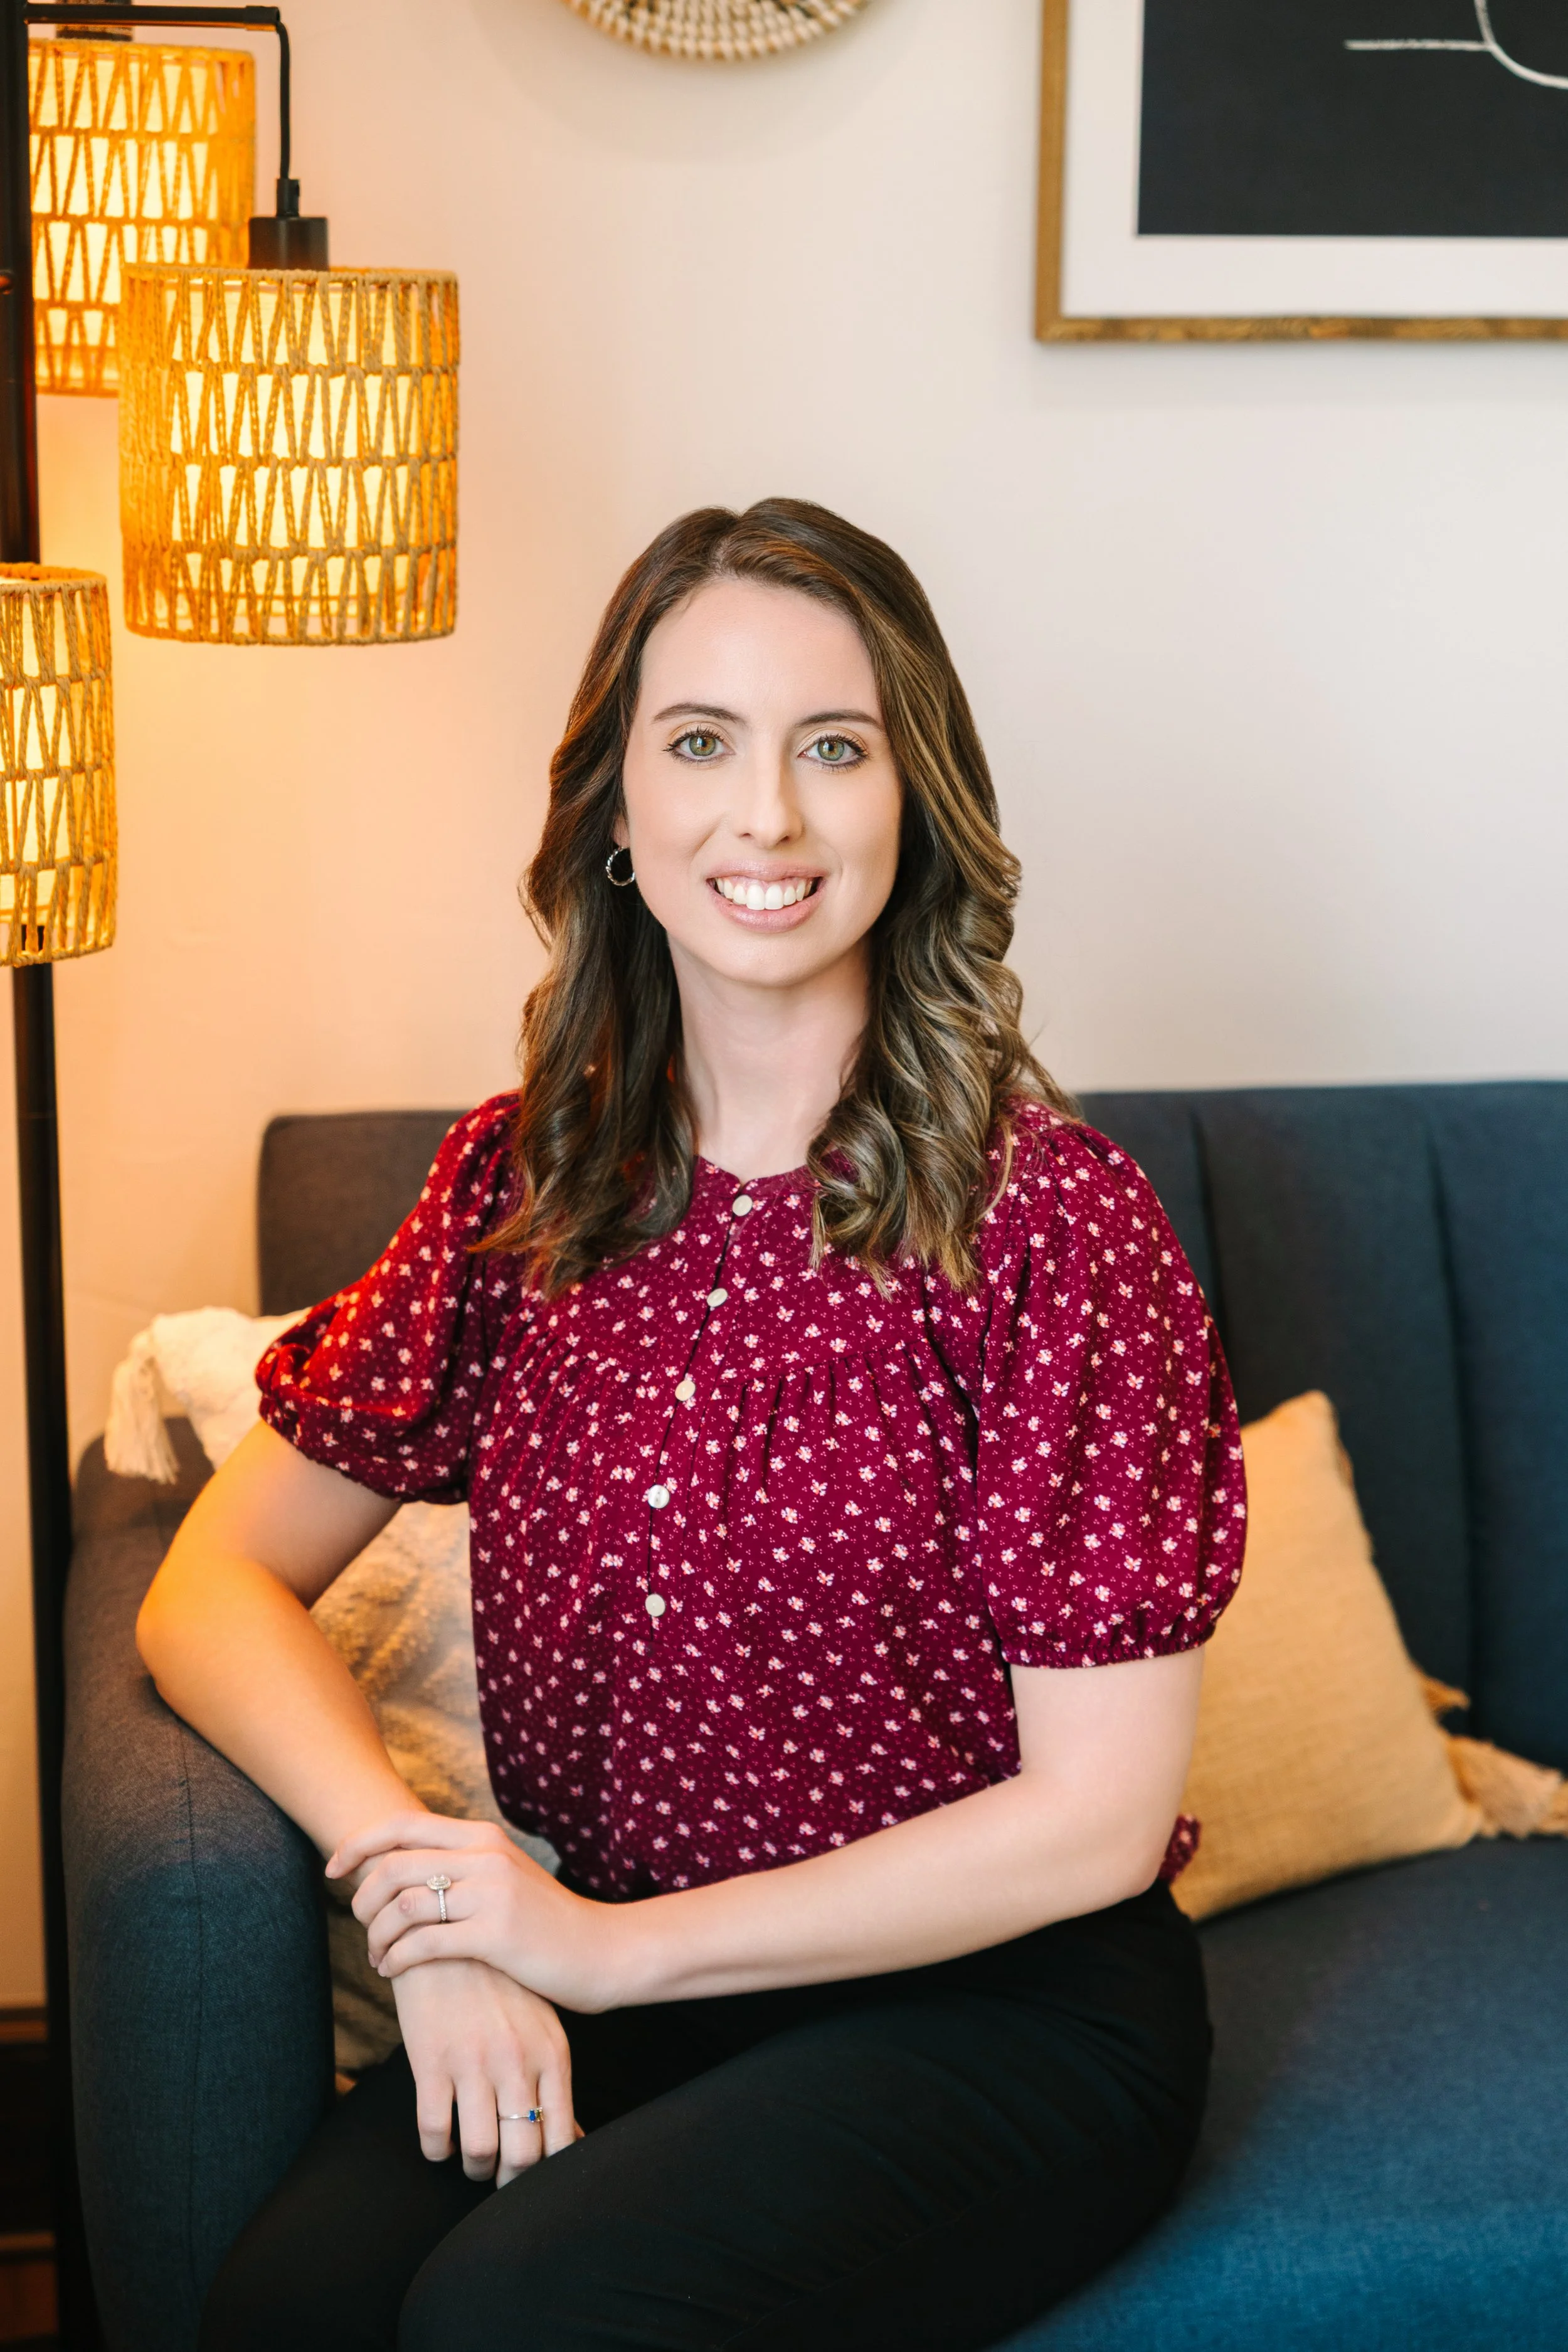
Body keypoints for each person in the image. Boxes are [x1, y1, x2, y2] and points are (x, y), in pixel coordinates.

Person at [139, 498, 1246, 2352]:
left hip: (994, 1999)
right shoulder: (528, 1182)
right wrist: (439, 1915)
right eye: (701, 743)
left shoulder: (1050, 1220)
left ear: (917, 800)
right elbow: (212, 1588)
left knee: (525, 2316)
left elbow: (1095, 1820)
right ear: (615, 813)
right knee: (289, 2311)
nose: (769, 817)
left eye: (835, 747)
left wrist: (592, 1953)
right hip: (617, 1955)